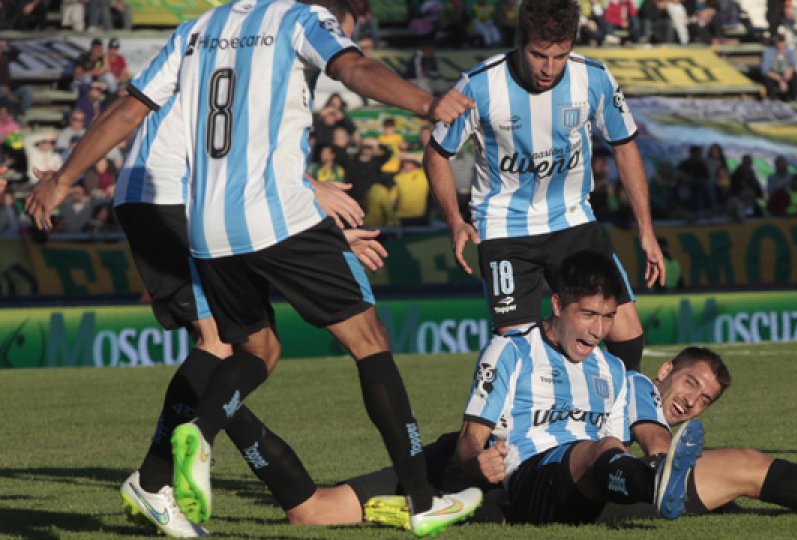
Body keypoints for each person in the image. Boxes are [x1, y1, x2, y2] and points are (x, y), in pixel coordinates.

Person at [24, 0, 480, 537]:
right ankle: (421, 500)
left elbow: (131, 110)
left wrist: (64, 179)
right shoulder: (301, 19)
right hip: (204, 203)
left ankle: (179, 457)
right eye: (348, 30)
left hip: (205, 219)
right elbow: (352, 69)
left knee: (252, 348)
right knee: (364, 341)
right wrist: (427, 103)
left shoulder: (198, 28)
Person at [285, 340, 797, 528]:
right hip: (577, 478)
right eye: (689, 384)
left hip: (609, 484)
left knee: (752, 466)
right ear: (666, 372)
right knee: (616, 453)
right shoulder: (635, 386)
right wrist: (665, 455)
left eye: (704, 399)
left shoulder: (633, 395)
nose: (691, 400)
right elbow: (650, 435)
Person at [367, 250, 704, 527]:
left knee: (727, 467)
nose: (598, 330)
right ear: (557, 305)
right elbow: (470, 438)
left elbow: (617, 451)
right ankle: (655, 482)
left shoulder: (612, 368)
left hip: (594, 484)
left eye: (608, 317)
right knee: (601, 449)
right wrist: (477, 462)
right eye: (588, 314)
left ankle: (661, 482)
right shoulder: (511, 350)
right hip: (533, 478)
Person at [425, 0, 664, 376]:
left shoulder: (594, 78)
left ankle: (616, 411)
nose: (549, 69)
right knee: (521, 354)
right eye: (539, 55)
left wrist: (646, 229)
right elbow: (436, 153)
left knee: (626, 334)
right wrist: (456, 221)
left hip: (572, 221)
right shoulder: (479, 85)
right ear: (520, 41)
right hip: (504, 231)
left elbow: (625, 146)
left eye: (560, 56)